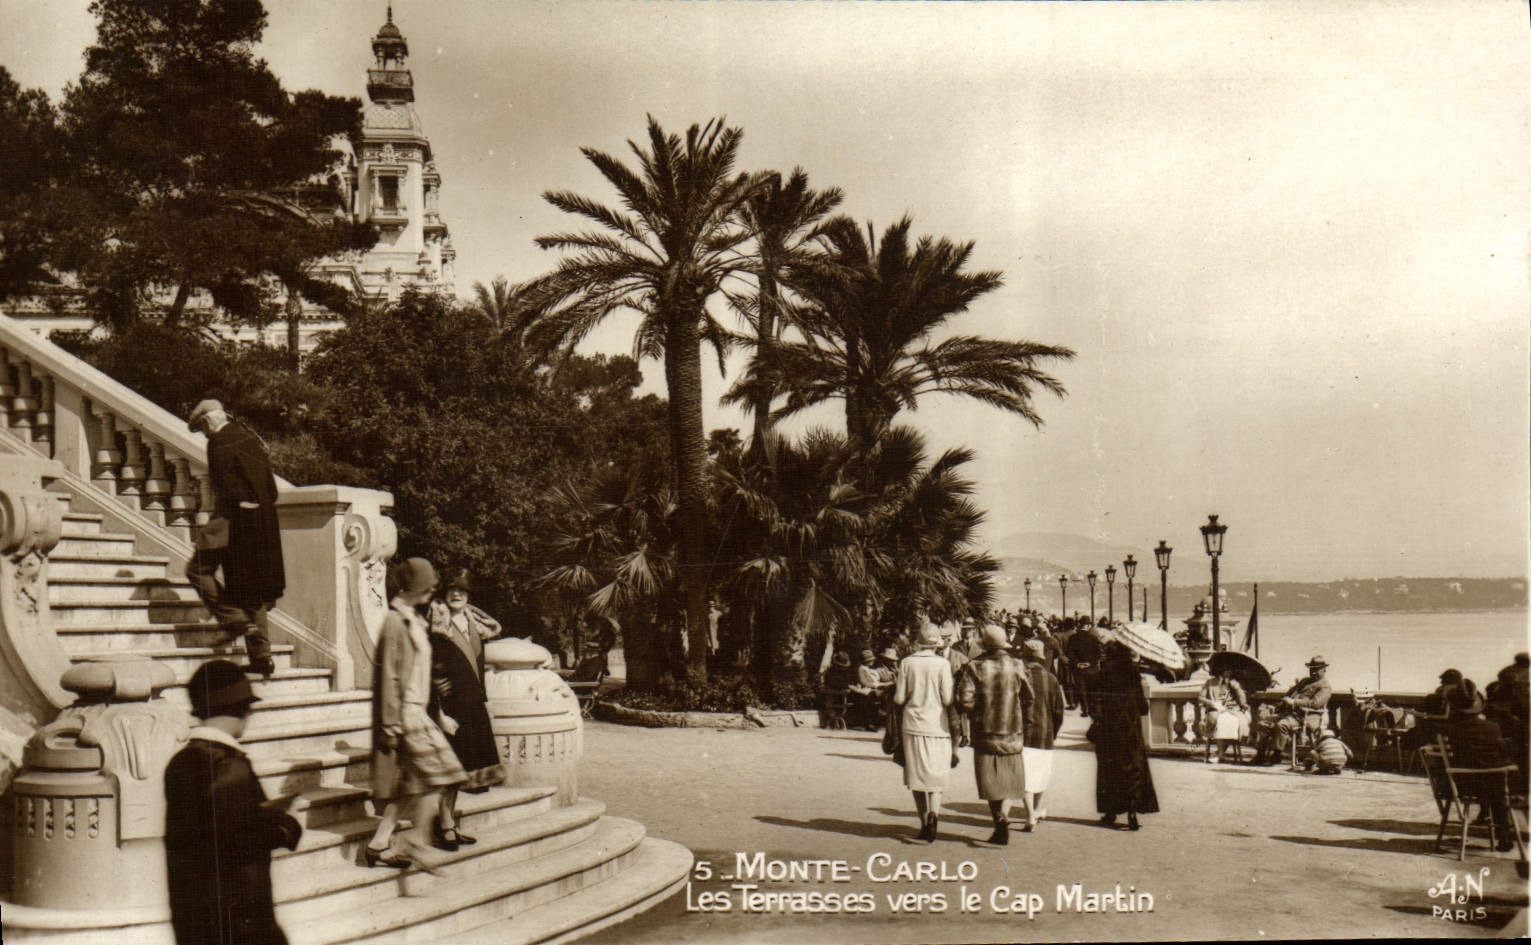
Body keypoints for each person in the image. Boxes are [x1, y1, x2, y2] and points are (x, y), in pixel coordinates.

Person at [164, 660, 302, 945]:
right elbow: (233, 842)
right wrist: (285, 828)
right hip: (240, 921)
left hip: (196, 919)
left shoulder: (181, 762)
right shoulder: (227, 764)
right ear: (240, 709)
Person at [368, 557, 466, 870]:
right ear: (414, 587)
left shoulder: (413, 620)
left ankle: (379, 844)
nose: (431, 591)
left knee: (414, 782)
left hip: (418, 712)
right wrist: (390, 723)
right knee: (442, 773)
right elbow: (388, 675)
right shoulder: (394, 622)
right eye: (427, 586)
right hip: (405, 715)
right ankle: (415, 841)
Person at [185, 399, 285, 678]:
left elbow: (224, 485)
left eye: (202, 428)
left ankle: (234, 620)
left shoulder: (217, 442)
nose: (205, 434)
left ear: (208, 421)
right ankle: (262, 658)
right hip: (262, 523)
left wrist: (240, 509)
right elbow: (272, 489)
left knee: (197, 570)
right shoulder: (250, 437)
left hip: (231, 521)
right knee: (252, 589)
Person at [427, 568, 504, 851]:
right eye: (452, 590)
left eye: (462, 590)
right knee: (449, 770)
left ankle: (448, 823)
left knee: (459, 770)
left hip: (471, 706)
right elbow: (429, 673)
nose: (456, 594)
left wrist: (485, 701)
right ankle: (444, 825)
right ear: (444, 594)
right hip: (448, 708)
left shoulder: (474, 625)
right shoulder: (436, 627)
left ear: (469, 596)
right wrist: (438, 714)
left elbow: (477, 669)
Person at [955, 624, 1034, 846]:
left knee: (989, 781)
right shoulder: (1017, 664)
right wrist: (1017, 713)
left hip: (985, 732)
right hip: (1012, 732)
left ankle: (999, 819)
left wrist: (979, 711)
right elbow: (1029, 696)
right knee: (1007, 780)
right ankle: (1002, 817)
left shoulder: (976, 666)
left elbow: (964, 700)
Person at [894, 623, 955, 844]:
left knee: (916, 776)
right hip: (938, 726)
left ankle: (923, 822)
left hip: (912, 724)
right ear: (937, 643)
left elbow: (899, 698)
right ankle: (934, 816)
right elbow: (947, 699)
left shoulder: (907, 663)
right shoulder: (943, 664)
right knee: (936, 775)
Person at [1442, 684, 1517, 852]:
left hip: (1464, 786)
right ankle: (1504, 835)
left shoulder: (1452, 730)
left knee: (1492, 780)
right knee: (1498, 783)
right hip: (1492, 788)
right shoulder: (1492, 727)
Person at [1092, 640, 1158, 830]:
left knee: (1109, 770)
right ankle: (1132, 813)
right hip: (1130, 732)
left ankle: (1111, 811)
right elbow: (1143, 708)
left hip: (1109, 732)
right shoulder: (1133, 675)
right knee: (1132, 769)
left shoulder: (1103, 675)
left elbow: (1095, 704)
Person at [1020, 638, 1066, 831]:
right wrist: (1053, 731)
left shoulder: (1019, 677)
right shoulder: (1051, 679)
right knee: (1041, 775)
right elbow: (1059, 711)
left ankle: (1030, 815)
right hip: (1045, 733)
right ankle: (1036, 809)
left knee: (1025, 776)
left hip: (1023, 733)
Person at [1253, 655, 1332, 766]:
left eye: (1317, 670)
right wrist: (1280, 704)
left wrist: (1294, 702)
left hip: (1307, 717)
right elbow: (1289, 694)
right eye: (1312, 669)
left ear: (1324, 670)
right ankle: (1260, 754)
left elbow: (1315, 703)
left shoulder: (1325, 687)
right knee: (1265, 723)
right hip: (1291, 714)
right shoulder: (1304, 681)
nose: (1313, 672)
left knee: (1281, 725)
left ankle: (1277, 754)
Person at [1197, 667, 1249, 764]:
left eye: (1230, 672)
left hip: (1232, 710)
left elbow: (1243, 701)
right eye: (1226, 671)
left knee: (1237, 723)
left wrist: (1237, 689)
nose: (1228, 674)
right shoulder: (1210, 682)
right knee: (1220, 721)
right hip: (1214, 710)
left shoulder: (1234, 683)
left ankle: (1219, 753)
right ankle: (1220, 753)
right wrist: (1212, 703)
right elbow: (1201, 697)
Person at [849, 649, 892, 730]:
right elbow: (864, 683)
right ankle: (880, 715)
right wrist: (879, 685)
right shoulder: (862, 669)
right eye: (870, 660)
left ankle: (882, 714)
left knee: (887, 693)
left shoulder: (868, 669)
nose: (873, 661)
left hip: (871, 690)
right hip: (865, 691)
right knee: (874, 697)